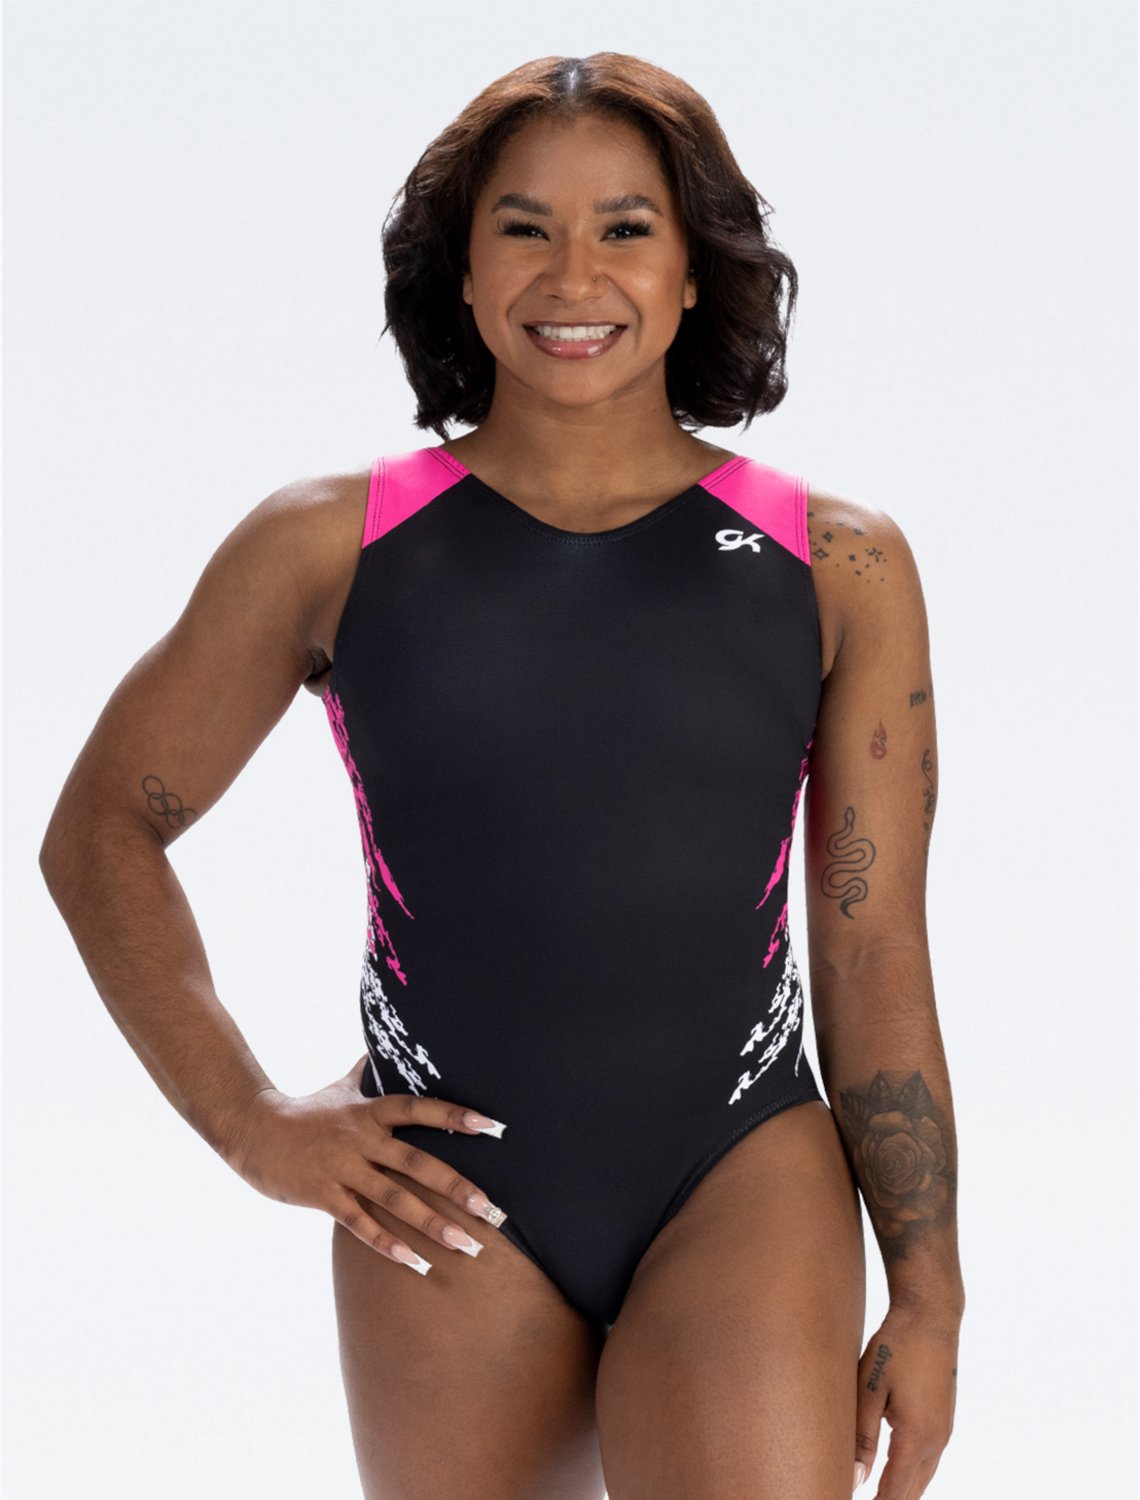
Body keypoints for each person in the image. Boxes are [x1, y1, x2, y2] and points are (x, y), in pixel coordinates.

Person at [39, 50, 964, 1500]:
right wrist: (250, 1123)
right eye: (524, 228)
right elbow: (100, 829)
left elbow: (871, 944)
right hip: (443, 1190)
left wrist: (930, 1292)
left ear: (694, 268)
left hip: (741, 1167)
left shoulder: (835, 562)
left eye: (626, 228)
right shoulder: (327, 545)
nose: (572, 276)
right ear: (462, 273)